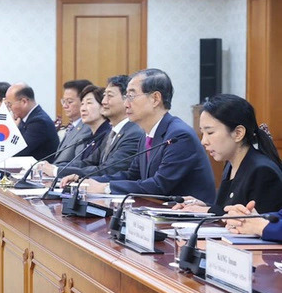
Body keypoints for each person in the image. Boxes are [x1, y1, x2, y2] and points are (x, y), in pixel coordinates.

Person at [81, 68, 215, 203]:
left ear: (155, 99)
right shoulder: (146, 135)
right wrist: (87, 182)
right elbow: (131, 175)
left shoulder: (179, 135)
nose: (126, 104)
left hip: (189, 218)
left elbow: (158, 185)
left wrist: (105, 187)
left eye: (131, 96)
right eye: (126, 97)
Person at [168, 95, 282, 215]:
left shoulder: (263, 171)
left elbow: (258, 224)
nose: (203, 141)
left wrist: (208, 210)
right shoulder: (230, 164)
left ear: (238, 133)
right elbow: (228, 208)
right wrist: (202, 206)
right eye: (202, 133)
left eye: (210, 132)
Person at [60, 75, 144, 181]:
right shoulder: (112, 133)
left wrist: (59, 172)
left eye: (110, 96)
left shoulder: (133, 133)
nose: (104, 101)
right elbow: (88, 162)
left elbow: (108, 170)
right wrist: (57, 170)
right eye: (104, 96)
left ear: (126, 99)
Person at [37, 85, 109, 176]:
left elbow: (99, 169)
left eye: (89, 103)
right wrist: (54, 168)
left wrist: (56, 170)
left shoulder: (107, 135)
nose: (83, 108)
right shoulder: (92, 136)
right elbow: (83, 163)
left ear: (103, 107)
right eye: (82, 104)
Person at [5, 83, 59, 158]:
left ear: (24, 102)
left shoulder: (39, 122)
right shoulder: (26, 118)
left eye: (10, 104)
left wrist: (12, 129)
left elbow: (16, 151)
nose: (9, 109)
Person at [54, 79, 94, 165]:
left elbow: (78, 162)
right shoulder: (73, 126)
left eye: (69, 102)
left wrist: (53, 169)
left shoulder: (87, 128)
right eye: (63, 101)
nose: (65, 106)